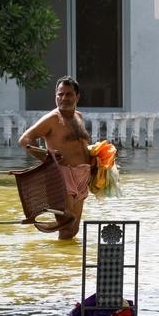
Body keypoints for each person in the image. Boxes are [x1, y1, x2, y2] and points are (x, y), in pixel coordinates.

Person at [18, 76, 92, 240]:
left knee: (74, 230)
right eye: (60, 94)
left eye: (68, 94)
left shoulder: (79, 116)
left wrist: (96, 165)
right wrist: (46, 157)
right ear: (55, 96)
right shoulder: (52, 118)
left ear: (77, 96)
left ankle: (66, 263)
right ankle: (56, 264)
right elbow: (25, 140)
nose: (64, 98)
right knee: (66, 226)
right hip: (61, 176)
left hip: (82, 176)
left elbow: (80, 148)